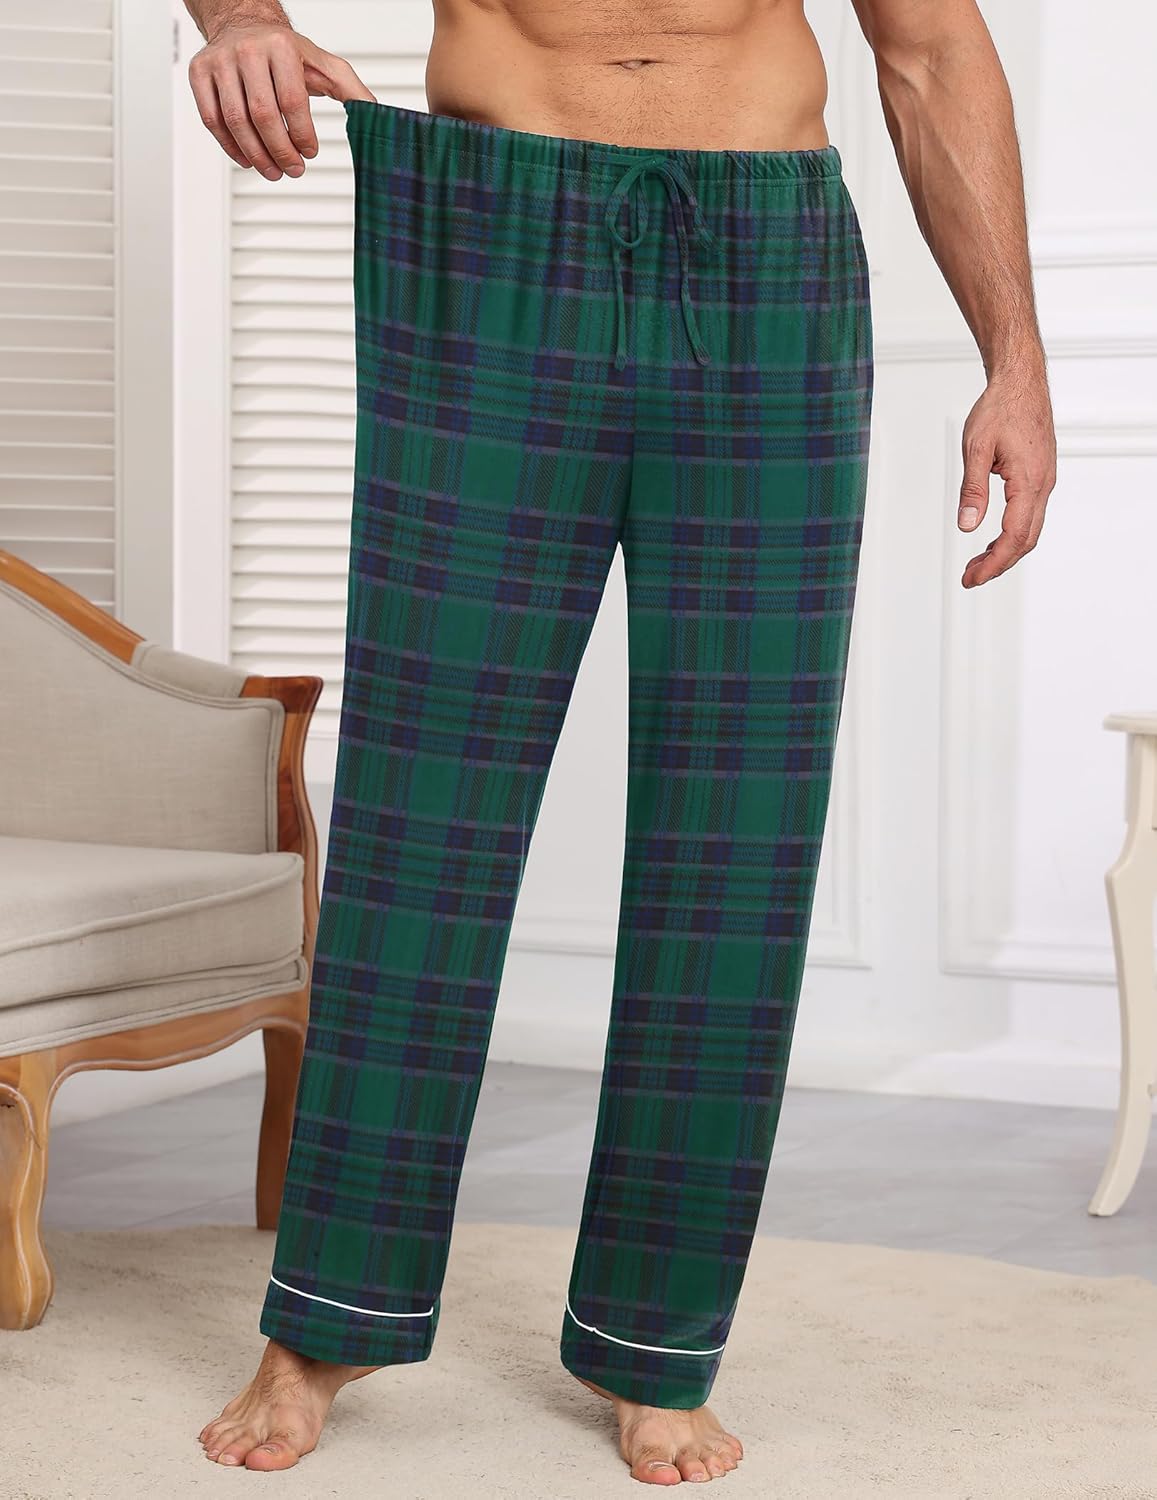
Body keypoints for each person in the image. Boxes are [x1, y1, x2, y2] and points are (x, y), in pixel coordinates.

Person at [186, 0, 1056, 1482]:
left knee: (739, 824)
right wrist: (240, 18)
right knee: (422, 807)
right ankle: (327, 1320)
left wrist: (1013, 359)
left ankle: (655, 1342)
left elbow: (926, 49)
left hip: (766, 248)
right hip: (489, 225)